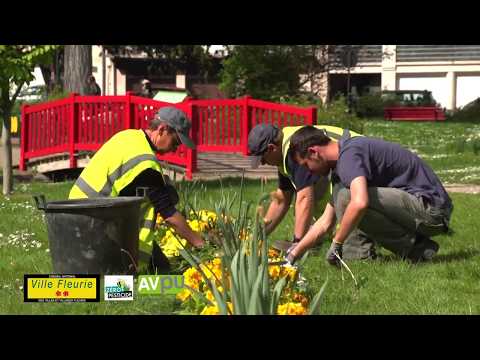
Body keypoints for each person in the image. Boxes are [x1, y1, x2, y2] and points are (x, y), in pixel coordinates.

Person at [284, 125, 453, 266]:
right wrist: (295, 252)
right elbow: (326, 221)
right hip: (420, 209)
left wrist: (337, 243)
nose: (309, 171)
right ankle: (418, 250)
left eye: (306, 165)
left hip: (433, 211)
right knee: (345, 197)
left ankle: (363, 255)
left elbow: (359, 203)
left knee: (349, 198)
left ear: (314, 152)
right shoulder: (341, 165)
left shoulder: (350, 154)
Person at [69, 107, 204, 272]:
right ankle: (122, 288)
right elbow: (169, 215)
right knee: (160, 278)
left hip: (74, 217)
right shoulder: (146, 164)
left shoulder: (128, 136)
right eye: (175, 142)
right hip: (98, 228)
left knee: (162, 269)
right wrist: (200, 244)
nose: (175, 149)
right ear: (162, 130)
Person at [247, 124, 376, 261]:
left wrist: (296, 243)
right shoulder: (283, 154)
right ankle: (315, 241)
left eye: (263, 159)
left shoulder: (294, 150)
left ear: (272, 148)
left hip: (360, 159)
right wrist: (259, 235)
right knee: (321, 200)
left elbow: (304, 198)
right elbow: (282, 200)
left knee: (339, 198)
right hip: (351, 160)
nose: (263, 163)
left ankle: (357, 250)